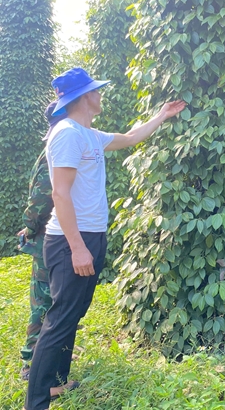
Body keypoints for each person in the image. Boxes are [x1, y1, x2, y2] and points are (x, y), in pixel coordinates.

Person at [25, 67, 185, 410]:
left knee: (73, 313)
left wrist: (161, 115)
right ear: (85, 97)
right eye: (96, 91)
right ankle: (35, 403)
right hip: (72, 240)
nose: (101, 95)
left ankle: (56, 383)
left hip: (91, 235)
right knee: (58, 319)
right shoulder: (67, 133)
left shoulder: (88, 133)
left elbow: (129, 137)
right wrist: (78, 248)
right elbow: (60, 195)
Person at [17, 102, 65, 381]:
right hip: (48, 238)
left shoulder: (53, 148)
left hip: (49, 236)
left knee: (49, 296)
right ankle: (32, 362)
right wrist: (29, 227)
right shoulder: (54, 152)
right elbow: (41, 199)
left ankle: (49, 352)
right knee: (45, 301)